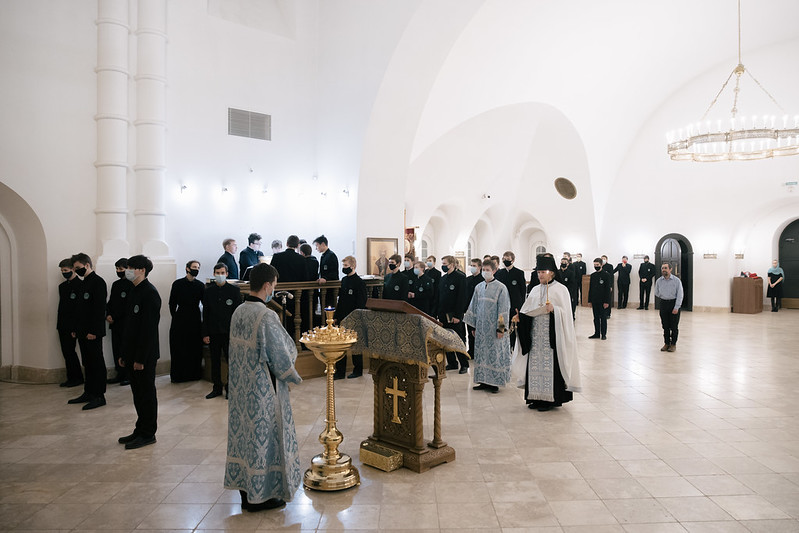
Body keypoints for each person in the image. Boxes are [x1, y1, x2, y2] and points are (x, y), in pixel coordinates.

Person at [224, 263, 302, 512]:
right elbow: (281, 354)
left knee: (244, 439)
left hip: (240, 389)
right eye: (274, 286)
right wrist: (293, 371)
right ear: (268, 285)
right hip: (261, 389)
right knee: (263, 440)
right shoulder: (265, 315)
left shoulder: (238, 311)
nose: (273, 291)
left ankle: (246, 495)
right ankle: (261, 497)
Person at [513, 254, 581, 411]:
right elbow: (528, 310)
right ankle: (535, 398)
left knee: (551, 368)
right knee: (535, 366)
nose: (540, 275)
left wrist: (554, 310)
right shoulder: (535, 290)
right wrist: (520, 317)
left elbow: (567, 315)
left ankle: (549, 401)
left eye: (543, 272)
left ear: (552, 272)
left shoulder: (561, 289)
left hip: (552, 339)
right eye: (538, 272)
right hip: (535, 339)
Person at [117, 254, 161, 450]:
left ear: (142, 270)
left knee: (146, 394)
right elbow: (129, 327)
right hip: (132, 353)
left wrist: (141, 358)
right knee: (137, 393)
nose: (127, 271)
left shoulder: (150, 293)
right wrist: (124, 354)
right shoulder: (133, 290)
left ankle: (148, 433)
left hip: (144, 355)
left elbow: (148, 330)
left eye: (130, 267)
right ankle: (140, 427)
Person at [464, 258, 511, 393]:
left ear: (494, 271)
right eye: (483, 270)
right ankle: (483, 380)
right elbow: (473, 307)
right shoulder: (478, 287)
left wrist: (500, 328)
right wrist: (473, 326)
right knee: (481, 354)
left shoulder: (501, 288)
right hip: (481, 328)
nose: (485, 272)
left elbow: (503, 309)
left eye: (488, 270)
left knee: (494, 353)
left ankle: (494, 382)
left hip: (494, 329)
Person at [67, 253, 108, 410]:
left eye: (78, 268)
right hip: (82, 332)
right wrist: (76, 330)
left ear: (88, 265)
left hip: (93, 333)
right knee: (87, 362)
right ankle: (88, 392)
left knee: (96, 362)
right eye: (75, 269)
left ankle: (99, 395)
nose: (77, 271)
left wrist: (94, 331)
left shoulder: (98, 283)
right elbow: (79, 310)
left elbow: (99, 310)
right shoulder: (83, 283)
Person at [203, 263, 242, 399]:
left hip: (229, 332)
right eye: (217, 273)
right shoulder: (208, 291)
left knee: (231, 360)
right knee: (215, 361)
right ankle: (216, 387)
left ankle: (230, 388)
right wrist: (205, 333)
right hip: (213, 332)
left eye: (222, 273)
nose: (220, 275)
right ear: (214, 274)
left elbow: (237, 314)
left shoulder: (234, 291)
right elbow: (206, 313)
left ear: (226, 274)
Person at [168, 260, 205, 382]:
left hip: (194, 317)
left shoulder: (200, 285)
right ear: (187, 268)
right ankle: (179, 375)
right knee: (179, 347)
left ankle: (193, 374)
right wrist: (176, 317)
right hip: (181, 317)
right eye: (194, 267)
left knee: (194, 347)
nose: (196, 269)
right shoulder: (178, 284)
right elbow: (172, 303)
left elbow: (204, 303)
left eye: (198, 267)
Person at [333, 256, 368, 379]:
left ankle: (358, 370)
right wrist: (336, 316)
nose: (344, 268)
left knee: (355, 346)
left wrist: (356, 317)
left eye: (346, 266)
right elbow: (341, 300)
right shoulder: (344, 280)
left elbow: (361, 303)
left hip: (355, 317)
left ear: (352, 266)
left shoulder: (359, 282)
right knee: (341, 344)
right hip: (343, 317)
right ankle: (340, 371)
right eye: (343, 266)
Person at [438, 255, 469, 374]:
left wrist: (458, 315)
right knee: (446, 339)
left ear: (452, 264)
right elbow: (439, 296)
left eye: (445, 264)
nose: (443, 266)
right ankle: (452, 362)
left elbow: (462, 298)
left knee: (458, 339)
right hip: (443, 314)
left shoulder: (460, 278)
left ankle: (464, 364)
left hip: (454, 314)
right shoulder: (443, 278)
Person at [56, 258, 83, 388]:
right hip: (62, 324)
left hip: (73, 325)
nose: (63, 272)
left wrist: (75, 327)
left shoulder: (80, 285)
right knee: (66, 352)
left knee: (71, 352)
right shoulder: (62, 287)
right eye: (62, 270)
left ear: (73, 269)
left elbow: (78, 309)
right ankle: (71, 377)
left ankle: (77, 377)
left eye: (65, 270)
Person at [106, 257, 132, 386]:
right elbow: (111, 302)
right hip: (114, 323)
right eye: (117, 269)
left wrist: (115, 316)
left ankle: (128, 374)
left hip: (125, 323)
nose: (118, 271)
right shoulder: (116, 284)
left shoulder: (132, 284)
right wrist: (108, 314)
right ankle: (119, 373)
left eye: (121, 269)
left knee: (125, 349)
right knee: (116, 349)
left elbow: (127, 306)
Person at [494, 251, 526, 349]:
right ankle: (502, 345)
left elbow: (522, 291)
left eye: (507, 259)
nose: (505, 261)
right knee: (502, 325)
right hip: (502, 305)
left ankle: (512, 345)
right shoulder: (499, 273)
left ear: (513, 260)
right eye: (504, 259)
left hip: (514, 305)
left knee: (513, 327)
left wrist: (520, 306)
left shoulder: (519, 273)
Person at [655, 263, 683, 352]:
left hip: (673, 303)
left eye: (665, 268)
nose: (664, 270)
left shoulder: (676, 281)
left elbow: (680, 294)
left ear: (670, 269)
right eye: (662, 268)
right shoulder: (659, 281)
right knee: (665, 325)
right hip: (663, 303)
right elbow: (656, 292)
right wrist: (664, 295)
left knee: (674, 326)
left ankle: (673, 344)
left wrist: (676, 307)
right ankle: (666, 343)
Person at [588, 257, 611, 340]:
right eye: (594, 265)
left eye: (597, 265)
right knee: (596, 318)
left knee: (603, 318)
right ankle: (596, 333)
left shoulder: (606, 275)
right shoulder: (593, 275)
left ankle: (603, 334)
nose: (596, 266)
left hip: (603, 301)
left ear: (601, 265)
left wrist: (607, 301)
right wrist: (589, 300)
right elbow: (590, 289)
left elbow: (607, 290)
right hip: (594, 300)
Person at [465, 258, 484, 361]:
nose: (472, 267)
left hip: (479, 309)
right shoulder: (468, 279)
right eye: (471, 265)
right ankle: (471, 351)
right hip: (469, 309)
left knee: (478, 332)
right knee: (470, 331)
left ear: (479, 267)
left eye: (474, 266)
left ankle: (479, 352)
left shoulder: (482, 280)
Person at [314, 235, 339, 308]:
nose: (316, 248)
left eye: (317, 245)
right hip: (324, 288)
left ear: (323, 244)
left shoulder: (331, 255)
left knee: (329, 307)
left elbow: (333, 272)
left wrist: (325, 278)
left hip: (330, 288)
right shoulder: (324, 256)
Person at [299, 243, 319, 332]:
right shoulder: (315, 261)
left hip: (304, 292)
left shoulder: (303, 262)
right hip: (314, 291)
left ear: (302, 253)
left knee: (304, 315)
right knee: (312, 313)